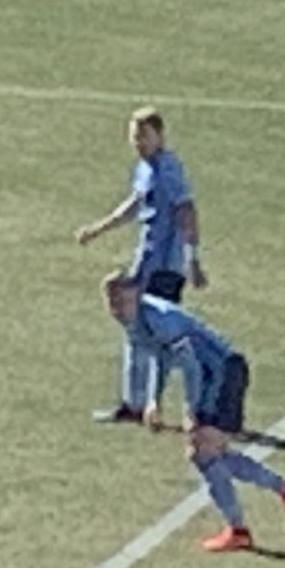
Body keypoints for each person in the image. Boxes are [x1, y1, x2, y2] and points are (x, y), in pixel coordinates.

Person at [102, 273, 285, 552]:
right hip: (218, 373)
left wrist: (190, 408)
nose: (115, 308)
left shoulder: (160, 319)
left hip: (221, 373)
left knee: (202, 451)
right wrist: (154, 400)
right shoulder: (135, 320)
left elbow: (191, 366)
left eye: (121, 300)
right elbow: (160, 357)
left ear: (136, 296)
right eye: (111, 301)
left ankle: (240, 529)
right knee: (212, 453)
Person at [76, 106, 204, 424]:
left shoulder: (168, 169)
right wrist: (98, 228)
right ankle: (135, 404)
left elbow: (186, 211)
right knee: (134, 330)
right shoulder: (145, 169)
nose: (138, 142)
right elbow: (134, 206)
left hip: (164, 268)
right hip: (145, 262)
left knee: (159, 335)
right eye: (134, 137)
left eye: (143, 136)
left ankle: (175, 402)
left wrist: (193, 259)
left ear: (160, 135)